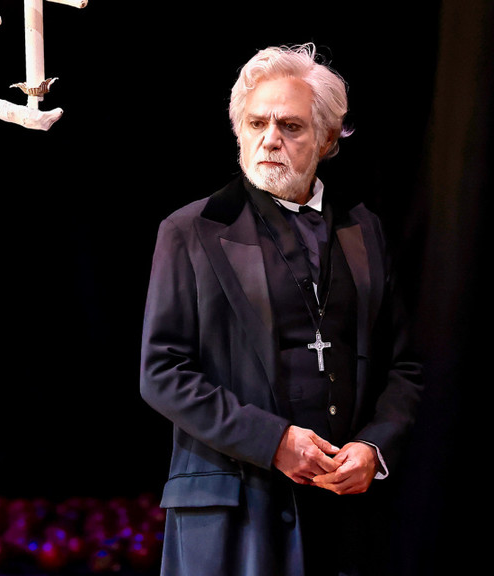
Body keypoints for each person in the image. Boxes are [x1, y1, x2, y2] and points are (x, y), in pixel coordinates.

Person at [139, 43, 423, 576]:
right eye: (256, 123)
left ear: (327, 138)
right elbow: (162, 373)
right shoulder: (190, 230)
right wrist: (273, 441)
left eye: (290, 126)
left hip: (345, 513)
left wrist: (373, 447)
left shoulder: (364, 229)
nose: (270, 138)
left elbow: (403, 366)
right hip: (233, 511)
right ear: (239, 131)